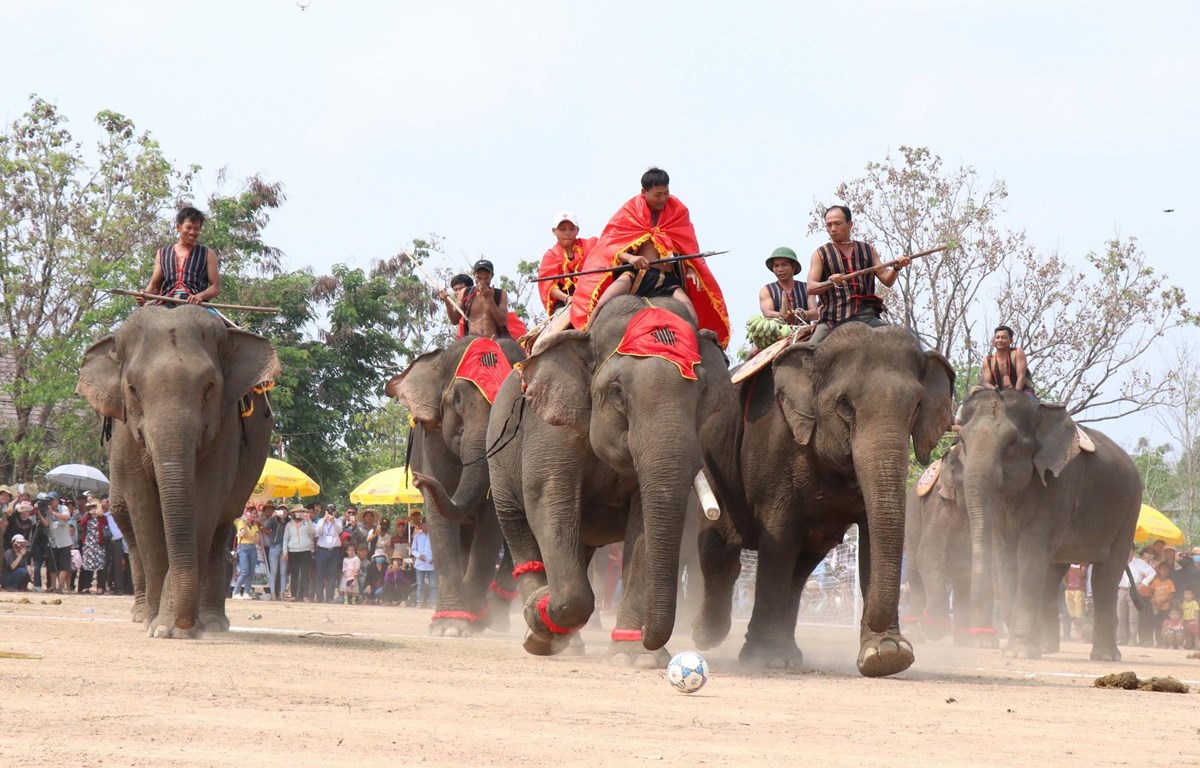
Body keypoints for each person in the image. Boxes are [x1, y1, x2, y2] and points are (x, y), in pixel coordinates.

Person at [574, 168, 731, 347]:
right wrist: (631, 258)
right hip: (637, 275)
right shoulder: (630, 211)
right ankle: (584, 342)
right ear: (644, 192)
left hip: (667, 280)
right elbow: (609, 245)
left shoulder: (678, 211)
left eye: (666, 193)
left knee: (691, 313)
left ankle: (697, 349)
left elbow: (687, 245)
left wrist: (690, 268)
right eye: (657, 195)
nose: (663, 199)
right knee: (602, 304)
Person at [806, 205, 910, 344]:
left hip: (866, 317)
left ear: (850, 225)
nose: (833, 229)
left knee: (901, 342)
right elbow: (811, 287)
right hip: (832, 320)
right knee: (808, 352)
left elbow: (887, 280)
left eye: (837, 223)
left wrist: (897, 267)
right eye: (829, 225)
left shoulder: (868, 250)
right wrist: (830, 282)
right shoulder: (820, 254)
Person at [137, 206, 221, 306]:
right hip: (166, 301)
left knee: (215, 317)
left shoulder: (208, 254)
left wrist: (200, 296)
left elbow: (216, 287)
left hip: (195, 304)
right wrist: (144, 295)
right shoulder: (162, 253)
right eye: (188, 228)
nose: (192, 232)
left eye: (197, 229)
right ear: (178, 227)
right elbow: (155, 286)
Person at [538, 211, 597, 315]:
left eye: (572, 229)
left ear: (577, 230)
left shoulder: (589, 245)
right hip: (564, 301)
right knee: (561, 318)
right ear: (554, 231)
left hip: (591, 295)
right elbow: (549, 286)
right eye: (562, 229)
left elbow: (605, 252)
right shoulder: (550, 256)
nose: (567, 233)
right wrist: (567, 298)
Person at [442, 260, 509, 339]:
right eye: (479, 278)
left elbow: (502, 322)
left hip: (494, 341)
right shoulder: (465, 293)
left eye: (486, 278)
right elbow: (454, 321)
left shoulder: (501, 294)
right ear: (474, 275)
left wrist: (490, 300)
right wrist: (447, 303)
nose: (482, 281)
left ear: (492, 276)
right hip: (472, 341)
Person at [759, 247, 818, 324]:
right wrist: (782, 315)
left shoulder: (807, 288)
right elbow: (768, 313)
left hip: (804, 330)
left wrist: (801, 314)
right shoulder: (767, 290)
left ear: (793, 267)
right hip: (778, 331)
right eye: (776, 266)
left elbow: (815, 312)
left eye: (784, 265)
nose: (780, 269)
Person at [980, 325, 1036, 397]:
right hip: (1000, 393)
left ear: (1011, 341)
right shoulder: (988, 360)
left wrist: (1015, 395)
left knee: (1031, 401)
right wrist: (994, 389)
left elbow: (1021, 376)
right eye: (997, 337)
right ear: (994, 340)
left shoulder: (1017, 353)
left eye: (1004, 337)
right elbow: (986, 383)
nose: (1000, 340)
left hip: (1022, 391)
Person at [1117, 546, 1156, 646]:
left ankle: (1132, 639)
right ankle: (1121, 638)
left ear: (1133, 552)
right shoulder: (1119, 561)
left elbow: (1152, 572)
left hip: (1133, 590)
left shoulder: (1139, 563)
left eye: (1130, 550)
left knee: (1133, 617)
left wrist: (1143, 583)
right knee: (1120, 615)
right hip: (1121, 589)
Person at [281, 504, 315, 601]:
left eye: (301, 512)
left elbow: (312, 533)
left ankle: (305, 595)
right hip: (293, 550)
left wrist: (308, 520)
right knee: (294, 574)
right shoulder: (289, 524)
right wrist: (285, 552)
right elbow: (285, 539)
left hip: (305, 550)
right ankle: (294, 595)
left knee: (305, 574)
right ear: (294, 513)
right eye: (297, 512)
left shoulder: (307, 522)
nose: (299, 513)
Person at [313, 507, 344, 604]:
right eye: (328, 510)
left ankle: (330, 597)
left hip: (334, 550)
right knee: (320, 574)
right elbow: (317, 532)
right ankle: (319, 597)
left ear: (335, 512)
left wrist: (333, 521)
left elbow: (340, 531)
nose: (330, 512)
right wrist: (324, 521)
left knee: (332, 575)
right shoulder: (320, 521)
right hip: (322, 550)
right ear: (325, 511)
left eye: (332, 510)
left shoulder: (338, 521)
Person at [77, 498, 108, 593]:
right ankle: (86, 586)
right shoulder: (88, 516)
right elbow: (82, 524)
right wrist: (89, 515)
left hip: (99, 544)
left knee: (101, 566)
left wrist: (100, 515)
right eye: (92, 507)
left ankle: (100, 587)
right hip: (89, 544)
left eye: (95, 506)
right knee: (88, 566)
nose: (93, 508)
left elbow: (106, 524)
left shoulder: (102, 517)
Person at [232, 507, 261, 599]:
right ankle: (236, 592)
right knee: (244, 571)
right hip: (243, 548)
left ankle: (246, 592)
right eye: (252, 513)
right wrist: (245, 522)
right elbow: (243, 533)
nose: (254, 515)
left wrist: (249, 538)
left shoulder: (255, 525)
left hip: (252, 548)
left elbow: (257, 539)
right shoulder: (241, 522)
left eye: (255, 513)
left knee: (251, 572)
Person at [101, 497, 128, 595]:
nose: (105, 505)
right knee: (104, 565)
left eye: (107, 503)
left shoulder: (115, 515)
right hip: (105, 543)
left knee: (118, 565)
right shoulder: (100, 516)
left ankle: (118, 588)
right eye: (104, 503)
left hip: (117, 541)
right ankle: (101, 587)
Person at [263, 504, 288, 600]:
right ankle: (272, 593)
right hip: (274, 547)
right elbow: (266, 527)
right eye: (280, 510)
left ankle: (282, 593)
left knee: (283, 572)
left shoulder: (289, 521)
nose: (283, 512)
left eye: (285, 510)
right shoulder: (274, 520)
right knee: (273, 571)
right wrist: (272, 517)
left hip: (285, 548)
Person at [1150, 561, 1177, 647]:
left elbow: (1171, 595)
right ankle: (1158, 642)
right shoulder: (1155, 581)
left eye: (1166, 570)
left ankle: (1165, 642)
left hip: (1165, 608)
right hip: (1156, 608)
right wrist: (1153, 600)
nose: (1164, 572)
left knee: (1165, 625)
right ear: (1159, 570)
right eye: (1162, 569)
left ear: (1168, 571)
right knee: (1157, 625)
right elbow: (1151, 591)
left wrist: (1161, 602)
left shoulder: (1169, 582)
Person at [411, 518, 436, 607]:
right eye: (425, 524)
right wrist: (418, 555)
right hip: (420, 564)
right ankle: (420, 602)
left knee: (433, 584)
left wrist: (434, 558)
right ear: (422, 524)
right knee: (420, 584)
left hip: (431, 564)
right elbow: (413, 550)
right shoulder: (417, 536)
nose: (426, 526)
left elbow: (437, 549)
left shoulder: (434, 536)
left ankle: (433, 602)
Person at [1064, 563, 1089, 641]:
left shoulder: (1083, 562)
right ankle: (1078, 633)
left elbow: (1083, 573)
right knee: (1072, 614)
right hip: (1068, 588)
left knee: (1080, 614)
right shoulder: (1068, 563)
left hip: (1079, 588)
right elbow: (1065, 576)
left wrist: (1072, 570)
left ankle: (1082, 633)